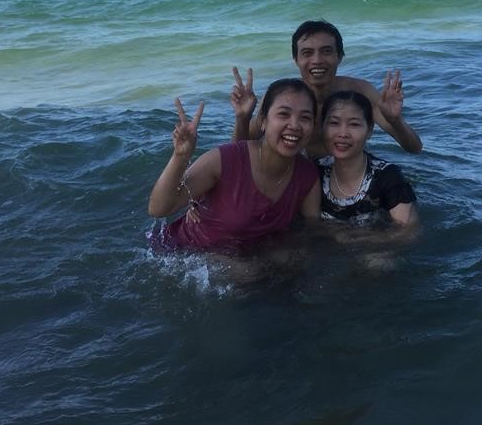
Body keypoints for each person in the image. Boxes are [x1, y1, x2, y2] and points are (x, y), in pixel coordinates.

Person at [148, 78, 322, 253]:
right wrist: (180, 156)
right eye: (284, 114)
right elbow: (159, 208)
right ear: (263, 120)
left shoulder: (307, 176)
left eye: (305, 118)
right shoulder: (222, 159)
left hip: (245, 259)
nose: (295, 125)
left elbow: (310, 230)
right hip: (183, 254)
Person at [231, 20, 422, 158]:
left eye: (326, 51)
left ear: (340, 56)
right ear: (296, 60)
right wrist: (242, 118)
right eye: (307, 53)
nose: (317, 60)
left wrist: (396, 120)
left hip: (346, 173)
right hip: (300, 173)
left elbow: (413, 148)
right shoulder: (283, 97)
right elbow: (238, 152)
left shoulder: (360, 92)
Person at [316, 90, 418, 228]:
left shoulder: (388, 176)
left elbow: (408, 232)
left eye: (354, 124)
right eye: (334, 123)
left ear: (369, 130)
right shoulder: (315, 172)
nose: (343, 133)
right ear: (322, 127)